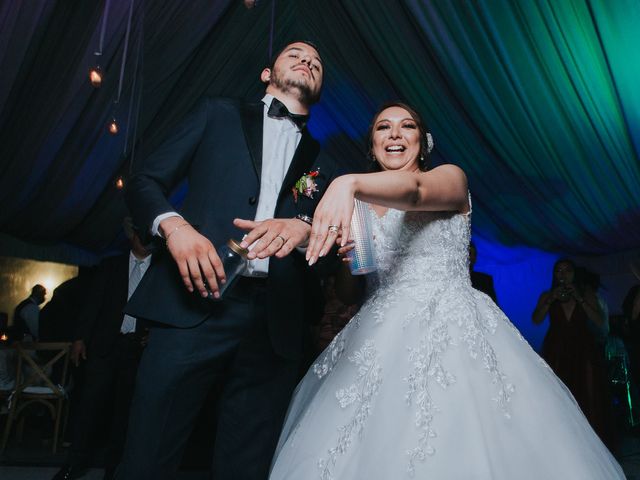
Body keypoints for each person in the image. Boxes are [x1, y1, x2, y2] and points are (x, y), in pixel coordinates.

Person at [269, 103, 624, 479]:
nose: (394, 134)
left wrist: (345, 181)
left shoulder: (449, 178)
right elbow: (350, 292)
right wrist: (346, 257)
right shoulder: (358, 208)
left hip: (452, 327)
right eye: (383, 128)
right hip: (378, 336)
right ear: (372, 146)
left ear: (421, 143)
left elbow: (416, 192)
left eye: (407, 127)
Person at [116, 41, 340, 480]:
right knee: (149, 451)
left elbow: (324, 249)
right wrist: (175, 229)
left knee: (247, 462)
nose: (308, 61)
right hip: (193, 302)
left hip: (274, 319)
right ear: (266, 72)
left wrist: (304, 233)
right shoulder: (216, 112)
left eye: (316, 62)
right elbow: (145, 181)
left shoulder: (319, 160)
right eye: (296, 53)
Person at [52, 221, 151, 480]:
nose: (145, 239)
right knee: (90, 406)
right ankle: (74, 464)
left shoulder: (160, 271)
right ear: (131, 237)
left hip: (136, 350)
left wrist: (151, 336)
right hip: (105, 346)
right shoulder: (111, 266)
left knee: (124, 414)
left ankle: (114, 470)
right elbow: (92, 305)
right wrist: (80, 339)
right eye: (140, 234)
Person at [532, 259, 611, 442]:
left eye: (567, 270)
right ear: (553, 274)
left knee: (588, 393)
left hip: (583, 349)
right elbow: (536, 319)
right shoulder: (547, 295)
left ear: (574, 273)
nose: (563, 274)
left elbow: (599, 321)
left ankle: (591, 441)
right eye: (558, 271)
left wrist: (580, 298)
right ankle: (562, 439)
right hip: (556, 350)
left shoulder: (586, 292)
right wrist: (551, 299)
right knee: (559, 395)